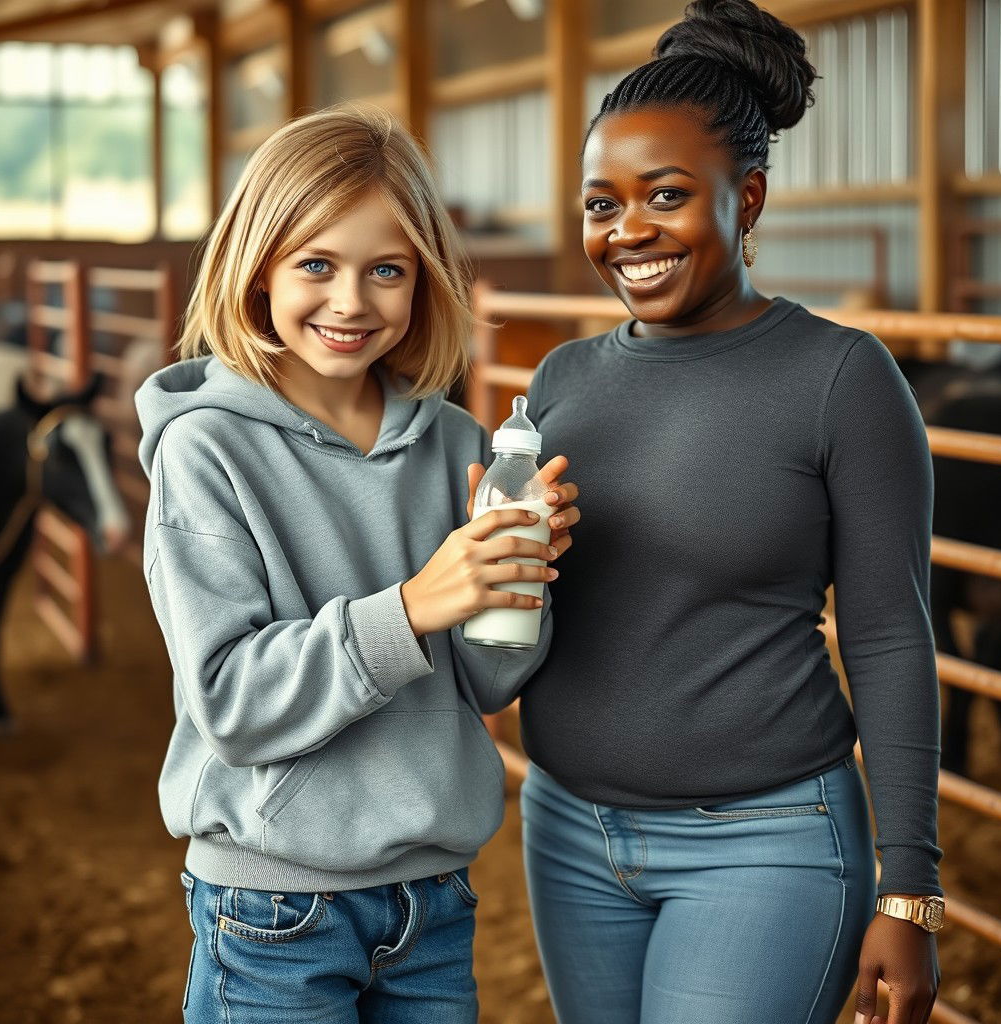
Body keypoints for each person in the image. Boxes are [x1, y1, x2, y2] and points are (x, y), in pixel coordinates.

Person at [519, 3, 942, 1023]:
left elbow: (887, 633)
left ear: (745, 198)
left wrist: (911, 889)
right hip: (568, 831)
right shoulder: (559, 379)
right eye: (600, 205)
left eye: (665, 196)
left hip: (764, 841)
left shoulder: (840, 378)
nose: (626, 233)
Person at [134, 104, 580, 1024]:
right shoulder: (207, 451)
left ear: (424, 282)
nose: (350, 301)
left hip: (434, 903)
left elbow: (489, 682)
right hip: (274, 910)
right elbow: (231, 702)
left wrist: (519, 582)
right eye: (316, 265)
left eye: (387, 270)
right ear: (256, 266)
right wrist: (416, 604)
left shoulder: (456, 440)